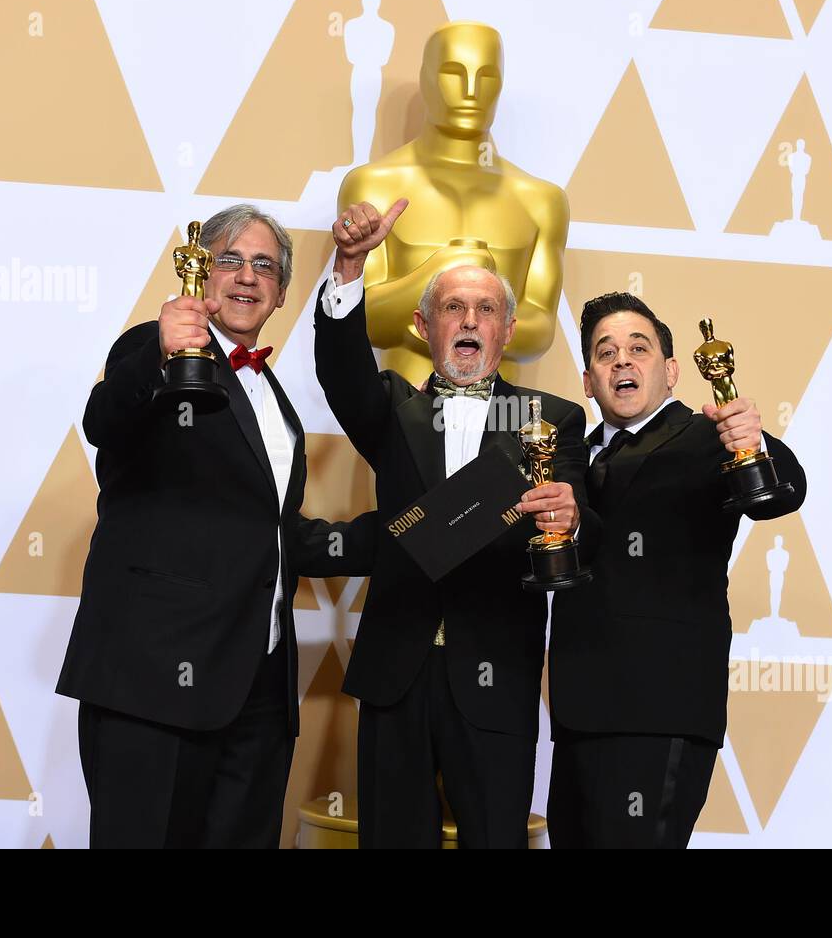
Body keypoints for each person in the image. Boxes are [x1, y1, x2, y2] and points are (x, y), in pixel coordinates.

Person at [57, 204, 377, 848]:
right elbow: (104, 421)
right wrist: (159, 348)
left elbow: (273, 535)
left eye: (265, 266)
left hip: (257, 692)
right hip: (156, 681)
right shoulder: (157, 355)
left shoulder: (272, 395)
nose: (247, 277)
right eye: (230, 259)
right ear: (203, 273)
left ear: (283, 292)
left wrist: (408, 533)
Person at [314, 198, 591, 848]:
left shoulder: (551, 421)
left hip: (498, 676)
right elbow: (342, 371)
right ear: (422, 324)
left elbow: (575, 524)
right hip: (396, 676)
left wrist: (571, 518)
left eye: (486, 309)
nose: (470, 321)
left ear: (508, 327)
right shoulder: (390, 410)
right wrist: (350, 265)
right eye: (453, 307)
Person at [547, 292, 807, 848]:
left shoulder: (706, 438)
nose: (622, 361)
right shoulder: (570, 456)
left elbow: (778, 495)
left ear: (671, 371)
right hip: (577, 713)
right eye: (605, 352)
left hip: (660, 711)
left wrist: (754, 443)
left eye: (638, 349)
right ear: (588, 380)